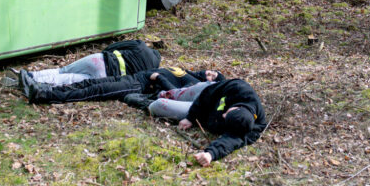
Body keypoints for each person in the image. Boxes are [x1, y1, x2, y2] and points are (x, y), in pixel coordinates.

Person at [148, 77, 267, 166]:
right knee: (174, 93)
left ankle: (143, 100)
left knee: (157, 105)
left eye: (226, 118)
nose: (223, 115)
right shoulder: (240, 88)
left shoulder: (253, 127)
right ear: (237, 107)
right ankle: (162, 88)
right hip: (204, 95)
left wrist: (210, 154)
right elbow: (209, 92)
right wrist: (190, 117)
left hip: (203, 114)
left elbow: (232, 141)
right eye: (227, 113)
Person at [14, 65, 220, 105]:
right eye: (211, 71)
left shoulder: (194, 83)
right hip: (135, 77)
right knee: (90, 82)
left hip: (138, 87)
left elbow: (174, 92)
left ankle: (44, 95)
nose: (209, 73)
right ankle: (43, 88)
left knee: (93, 91)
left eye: (213, 76)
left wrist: (158, 79)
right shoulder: (189, 72)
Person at [6, 40, 162, 90]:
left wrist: (104, 53)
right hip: (105, 77)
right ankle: (32, 83)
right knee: (69, 80)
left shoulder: (140, 45)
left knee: (62, 70)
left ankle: (29, 74)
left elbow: (114, 46)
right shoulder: (151, 70)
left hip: (100, 60)